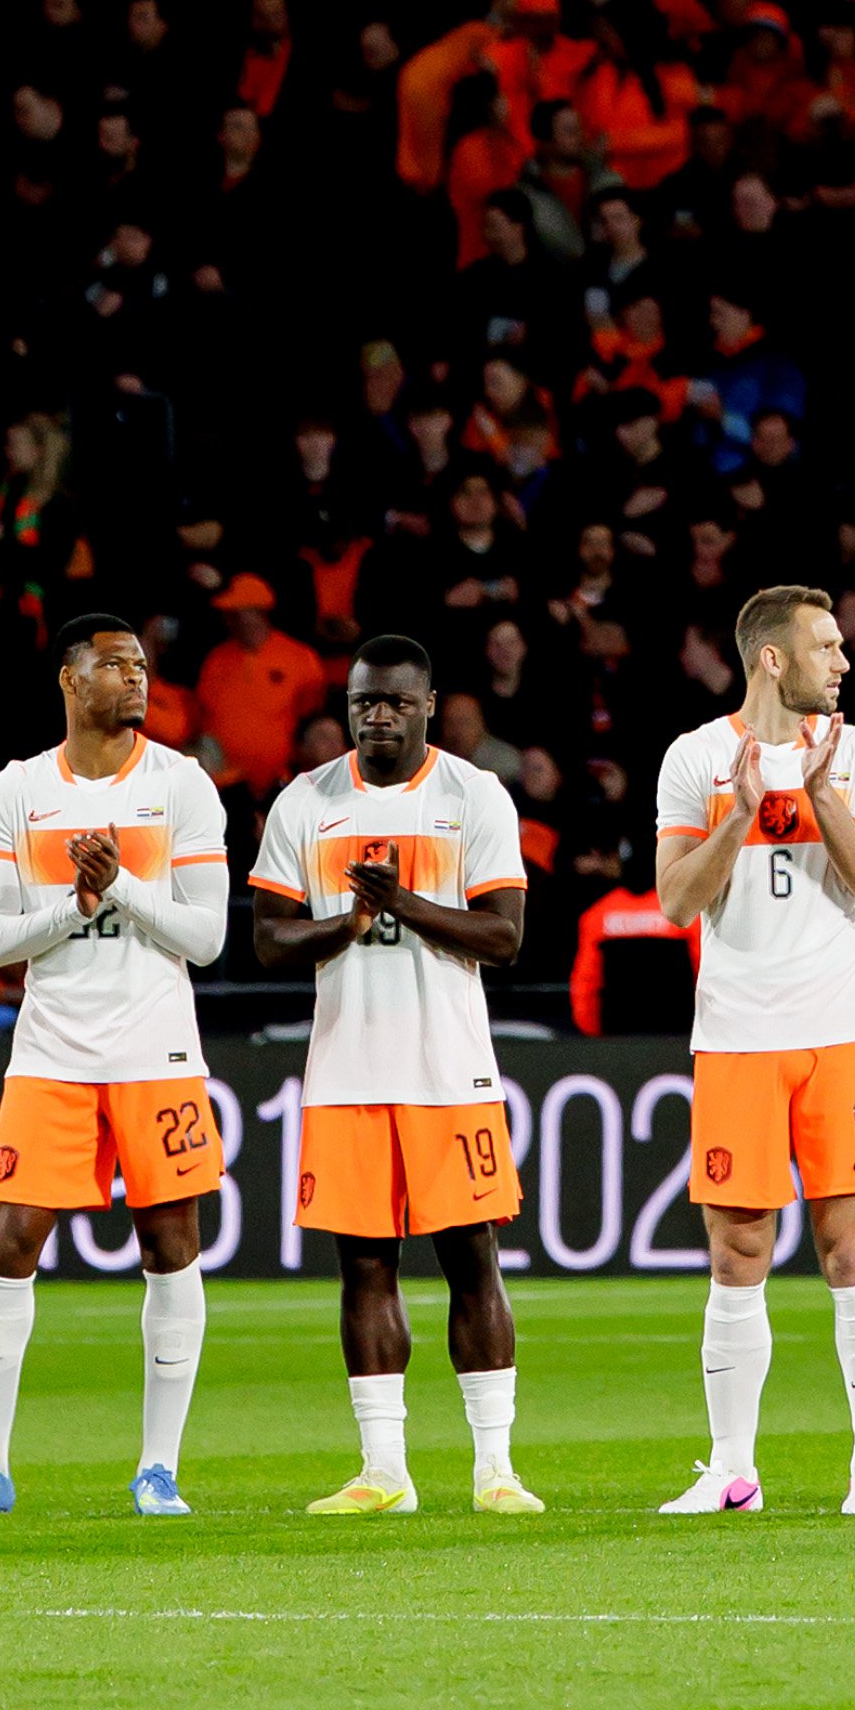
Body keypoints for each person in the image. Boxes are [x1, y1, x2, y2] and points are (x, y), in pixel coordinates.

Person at [0, 613, 233, 1520]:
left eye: (140, 664)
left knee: (171, 1246)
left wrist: (126, 888)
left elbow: (209, 938)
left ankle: (158, 1468)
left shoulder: (182, 785)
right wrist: (77, 901)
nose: (134, 677)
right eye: (113, 664)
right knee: (8, 1240)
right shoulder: (19, 792)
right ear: (69, 680)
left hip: (157, 1048)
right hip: (53, 1049)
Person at [246, 638, 537, 1514]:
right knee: (363, 1268)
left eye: (395, 703)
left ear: (429, 706)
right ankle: (384, 1472)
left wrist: (399, 902)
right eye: (363, 701)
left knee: (471, 1260)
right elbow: (267, 937)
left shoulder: (472, 794)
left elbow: (506, 936)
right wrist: (347, 922)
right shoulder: (306, 801)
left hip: (451, 1069)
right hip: (347, 1070)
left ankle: (496, 1470)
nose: (377, 715)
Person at [652, 584, 855, 1514]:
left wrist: (820, 793)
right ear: (772, 657)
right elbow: (678, 901)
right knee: (738, 1251)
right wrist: (741, 812)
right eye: (826, 646)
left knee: (849, 1248)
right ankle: (731, 1470)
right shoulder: (697, 757)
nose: (843, 661)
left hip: (837, 1029)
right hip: (737, 1033)